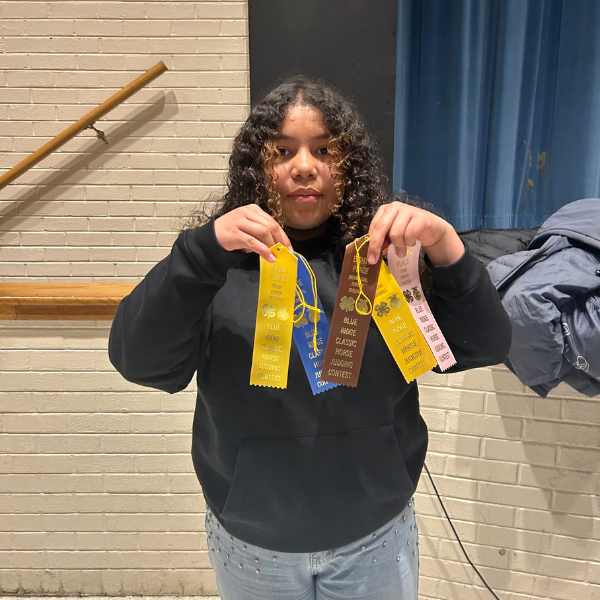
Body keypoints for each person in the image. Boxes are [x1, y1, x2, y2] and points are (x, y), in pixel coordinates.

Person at [109, 77, 511, 600]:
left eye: (324, 150)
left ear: (349, 166)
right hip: (254, 544)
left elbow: (483, 346)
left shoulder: (386, 262)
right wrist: (198, 253)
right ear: (257, 164)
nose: (304, 166)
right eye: (282, 150)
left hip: (376, 535)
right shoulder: (215, 266)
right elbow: (143, 363)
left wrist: (447, 247)